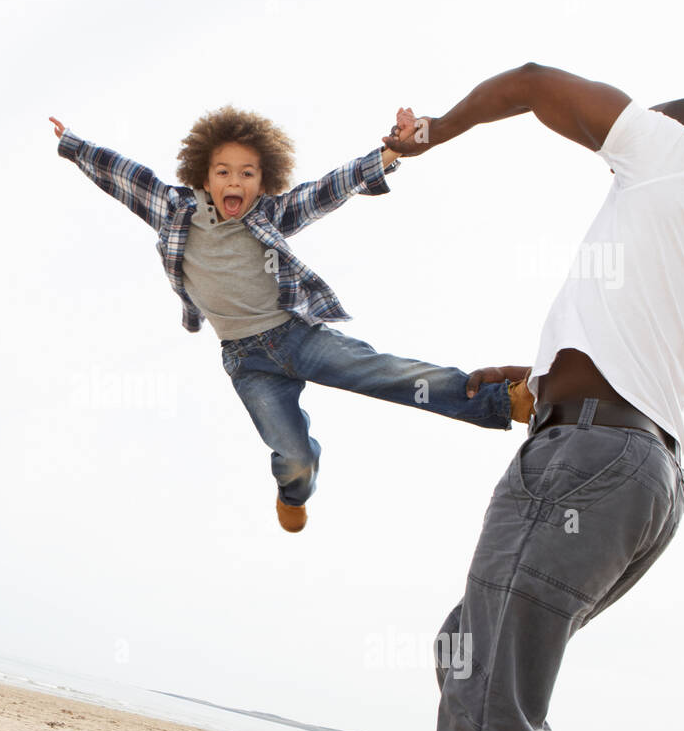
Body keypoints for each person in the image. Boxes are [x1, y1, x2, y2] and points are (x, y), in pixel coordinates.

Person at [383, 63, 684, 731]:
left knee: (487, 682)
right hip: (643, 476)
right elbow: (627, 351)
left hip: (592, 462)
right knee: (480, 659)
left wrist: (434, 132)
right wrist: (543, 379)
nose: (619, 132)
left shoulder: (673, 156)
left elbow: (534, 79)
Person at [50, 109, 526, 532]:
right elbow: (126, 177)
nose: (234, 182)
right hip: (247, 362)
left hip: (297, 337)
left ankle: (499, 401)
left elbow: (327, 190)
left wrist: (385, 155)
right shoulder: (175, 210)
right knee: (293, 457)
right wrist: (74, 145)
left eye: (247, 174)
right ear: (203, 175)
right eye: (223, 172)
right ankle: (294, 494)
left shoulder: (271, 214)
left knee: (387, 372)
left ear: (263, 181)